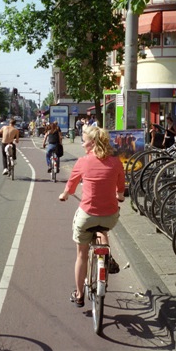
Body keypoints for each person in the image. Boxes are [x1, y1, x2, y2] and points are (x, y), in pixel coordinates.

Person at [58, 125, 125, 308]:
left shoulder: (83, 162)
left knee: (81, 254)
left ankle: (79, 294)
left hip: (87, 216)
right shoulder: (116, 162)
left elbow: (70, 186)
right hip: (110, 216)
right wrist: (119, 195)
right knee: (103, 228)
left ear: (93, 142)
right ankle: (107, 255)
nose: (82, 144)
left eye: (84, 140)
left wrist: (64, 195)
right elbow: (121, 187)